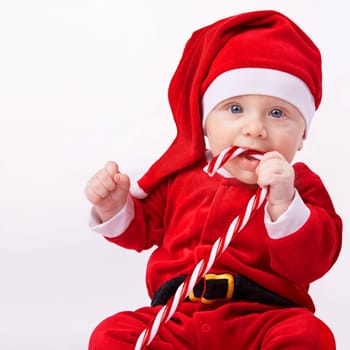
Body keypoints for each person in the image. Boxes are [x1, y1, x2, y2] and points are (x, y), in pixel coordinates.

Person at [85, 9, 342, 349]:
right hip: (176, 317)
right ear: (205, 120)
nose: (254, 128)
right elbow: (141, 230)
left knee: (309, 336)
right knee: (112, 335)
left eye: (278, 113)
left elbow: (312, 262)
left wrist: (284, 203)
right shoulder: (180, 176)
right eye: (234, 109)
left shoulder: (300, 186)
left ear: (302, 135)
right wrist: (115, 206)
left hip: (263, 319)